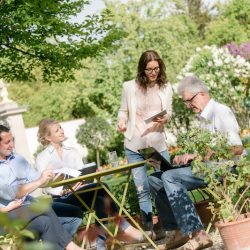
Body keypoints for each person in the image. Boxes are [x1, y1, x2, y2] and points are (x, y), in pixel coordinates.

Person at [148, 75, 244, 250]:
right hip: (206, 167)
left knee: (170, 177)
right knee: (155, 179)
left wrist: (201, 156)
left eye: (188, 101)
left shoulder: (220, 112)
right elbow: (205, 152)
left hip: (225, 168)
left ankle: (199, 234)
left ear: (201, 94)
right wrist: (189, 156)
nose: (187, 106)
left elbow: (237, 148)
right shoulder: (203, 117)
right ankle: (178, 231)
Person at [35, 118, 144, 250]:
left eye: (61, 128)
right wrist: (63, 190)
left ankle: (101, 246)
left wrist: (83, 182)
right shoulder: (42, 157)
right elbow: (44, 186)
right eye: (56, 130)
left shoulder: (73, 151)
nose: (61, 131)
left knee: (99, 199)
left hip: (81, 193)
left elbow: (83, 174)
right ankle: (124, 227)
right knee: (102, 189)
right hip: (62, 200)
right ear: (48, 137)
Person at [0, 124, 85, 250]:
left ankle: (63, 245)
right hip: (6, 216)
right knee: (43, 207)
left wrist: (53, 176)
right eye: (7, 142)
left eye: (12, 140)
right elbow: (14, 193)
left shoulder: (18, 159)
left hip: (26, 207)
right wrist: (40, 181)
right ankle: (69, 245)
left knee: (48, 221)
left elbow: (36, 178)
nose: (12, 144)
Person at [117, 50, 173, 232]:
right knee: (142, 189)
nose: (153, 73)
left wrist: (166, 118)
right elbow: (123, 111)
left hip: (156, 145)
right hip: (134, 145)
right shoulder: (129, 87)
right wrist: (121, 121)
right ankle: (149, 232)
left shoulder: (166, 87)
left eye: (156, 68)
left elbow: (169, 111)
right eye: (149, 69)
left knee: (166, 184)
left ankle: (171, 227)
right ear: (142, 69)